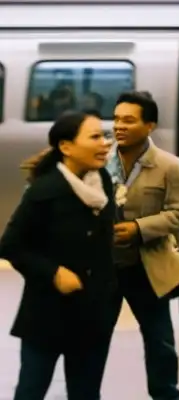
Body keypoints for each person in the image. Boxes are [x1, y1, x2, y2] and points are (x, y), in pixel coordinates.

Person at [1, 111, 118, 400]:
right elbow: (11, 246)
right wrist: (53, 272)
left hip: (93, 312)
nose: (105, 143)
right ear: (66, 147)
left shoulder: (101, 180)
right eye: (94, 137)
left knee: (86, 392)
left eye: (104, 135)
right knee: (31, 390)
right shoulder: (44, 191)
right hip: (47, 313)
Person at [108, 91, 179, 400]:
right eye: (116, 119)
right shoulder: (100, 161)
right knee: (93, 338)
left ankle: (166, 395)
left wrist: (139, 228)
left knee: (159, 341)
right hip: (105, 267)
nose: (119, 126)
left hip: (147, 266)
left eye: (128, 120)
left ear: (150, 125)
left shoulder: (168, 166)